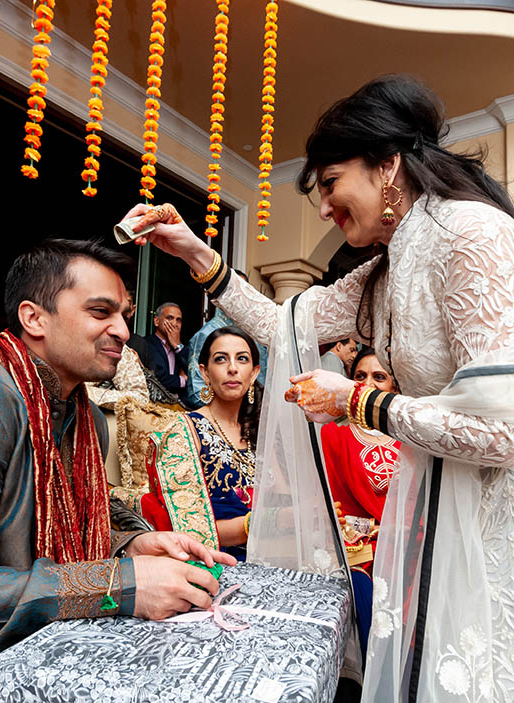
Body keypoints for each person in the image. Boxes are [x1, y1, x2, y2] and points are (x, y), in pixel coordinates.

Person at [123, 74, 514, 702]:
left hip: (487, 518)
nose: (326, 207)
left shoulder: (470, 234)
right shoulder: (385, 270)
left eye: (331, 183)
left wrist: (355, 400)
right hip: (428, 506)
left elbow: (504, 431)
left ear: (388, 166)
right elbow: (285, 323)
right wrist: (197, 253)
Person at [0, 239, 236, 702]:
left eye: (125, 315)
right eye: (100, 311)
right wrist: (120, 583)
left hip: (44, 648)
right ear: (34, 318)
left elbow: (60, 524)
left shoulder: (83, 416)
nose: (122, 331)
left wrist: (132, 543)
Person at [141, 327, 262, 562]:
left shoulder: (260, 432)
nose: (233, 368)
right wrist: (263, 524)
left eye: (242, 359)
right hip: (215, 563)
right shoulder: (183, 431)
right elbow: (189, 533)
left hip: (272, 557)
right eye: (221, 359)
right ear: (205, 373)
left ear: (254, 373)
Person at [322, 348, 401, 662]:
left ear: (394, 387)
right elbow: (330, 506)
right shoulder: (334, 436)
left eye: (379, 377)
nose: (368, 383)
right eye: (360, 376)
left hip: (408, 549)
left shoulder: (411, 439)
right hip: (360, 554)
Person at [145, 301, 189, 394]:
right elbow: (156, 380)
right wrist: (183, 380)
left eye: (178, 320)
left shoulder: (183, 350)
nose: (174, 323)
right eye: (170, 318)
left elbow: (196, 375)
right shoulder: (146, 344)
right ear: (156, 321)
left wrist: (177, 346)